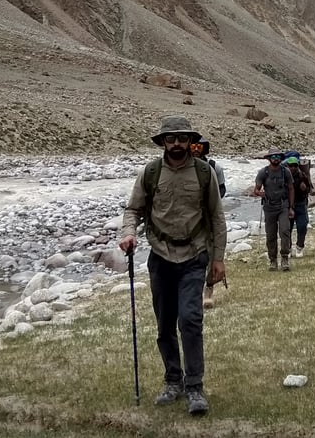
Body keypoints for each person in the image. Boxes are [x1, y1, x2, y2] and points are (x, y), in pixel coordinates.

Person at [118, 116, 226, 413]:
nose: (176, 144)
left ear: (190, 141)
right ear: (163, 142)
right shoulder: (151, 173)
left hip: (194, 255)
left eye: (182, 138)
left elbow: (217, 217)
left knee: (190, 320)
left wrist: (218, 259)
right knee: (165, 324)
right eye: (171, 139)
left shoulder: (205, 174)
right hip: (160, 256)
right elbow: (133, 209)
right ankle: (172, 381)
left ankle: (195, 387)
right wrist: (129, 234)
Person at [191, 137, 227, 309]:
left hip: (210, 217)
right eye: (193, 145)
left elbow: (222, 189)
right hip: (190, 218)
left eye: (200, 146)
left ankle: (208, 290)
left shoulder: (214, 167)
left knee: (212, 254)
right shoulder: (182, 167)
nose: (196, 149)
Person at [254, 149, 295, 271]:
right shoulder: (263, 172)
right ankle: (272, 260)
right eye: (273, 156)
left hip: (283, 205)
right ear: (269, 158)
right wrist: (260, 193)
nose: (276, 158)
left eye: (278, 156)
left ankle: (284, 258)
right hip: (269, 207)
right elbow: (256, 189)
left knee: (285, 231)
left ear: (281, 158)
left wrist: (291, 207)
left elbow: (291, 189)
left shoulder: (285, 171)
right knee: (271, 235)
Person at [285, 156, 310, 257]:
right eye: (291, 166)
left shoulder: (302, 176)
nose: (293, 168)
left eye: (295, 166)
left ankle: (300, 247)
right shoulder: (284, 177)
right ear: (287, 166)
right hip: (287, 205)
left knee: (302, 226)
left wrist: (305, 188)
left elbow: (309, 189)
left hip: (300, 203)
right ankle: (288, 247)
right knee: (287, 228)